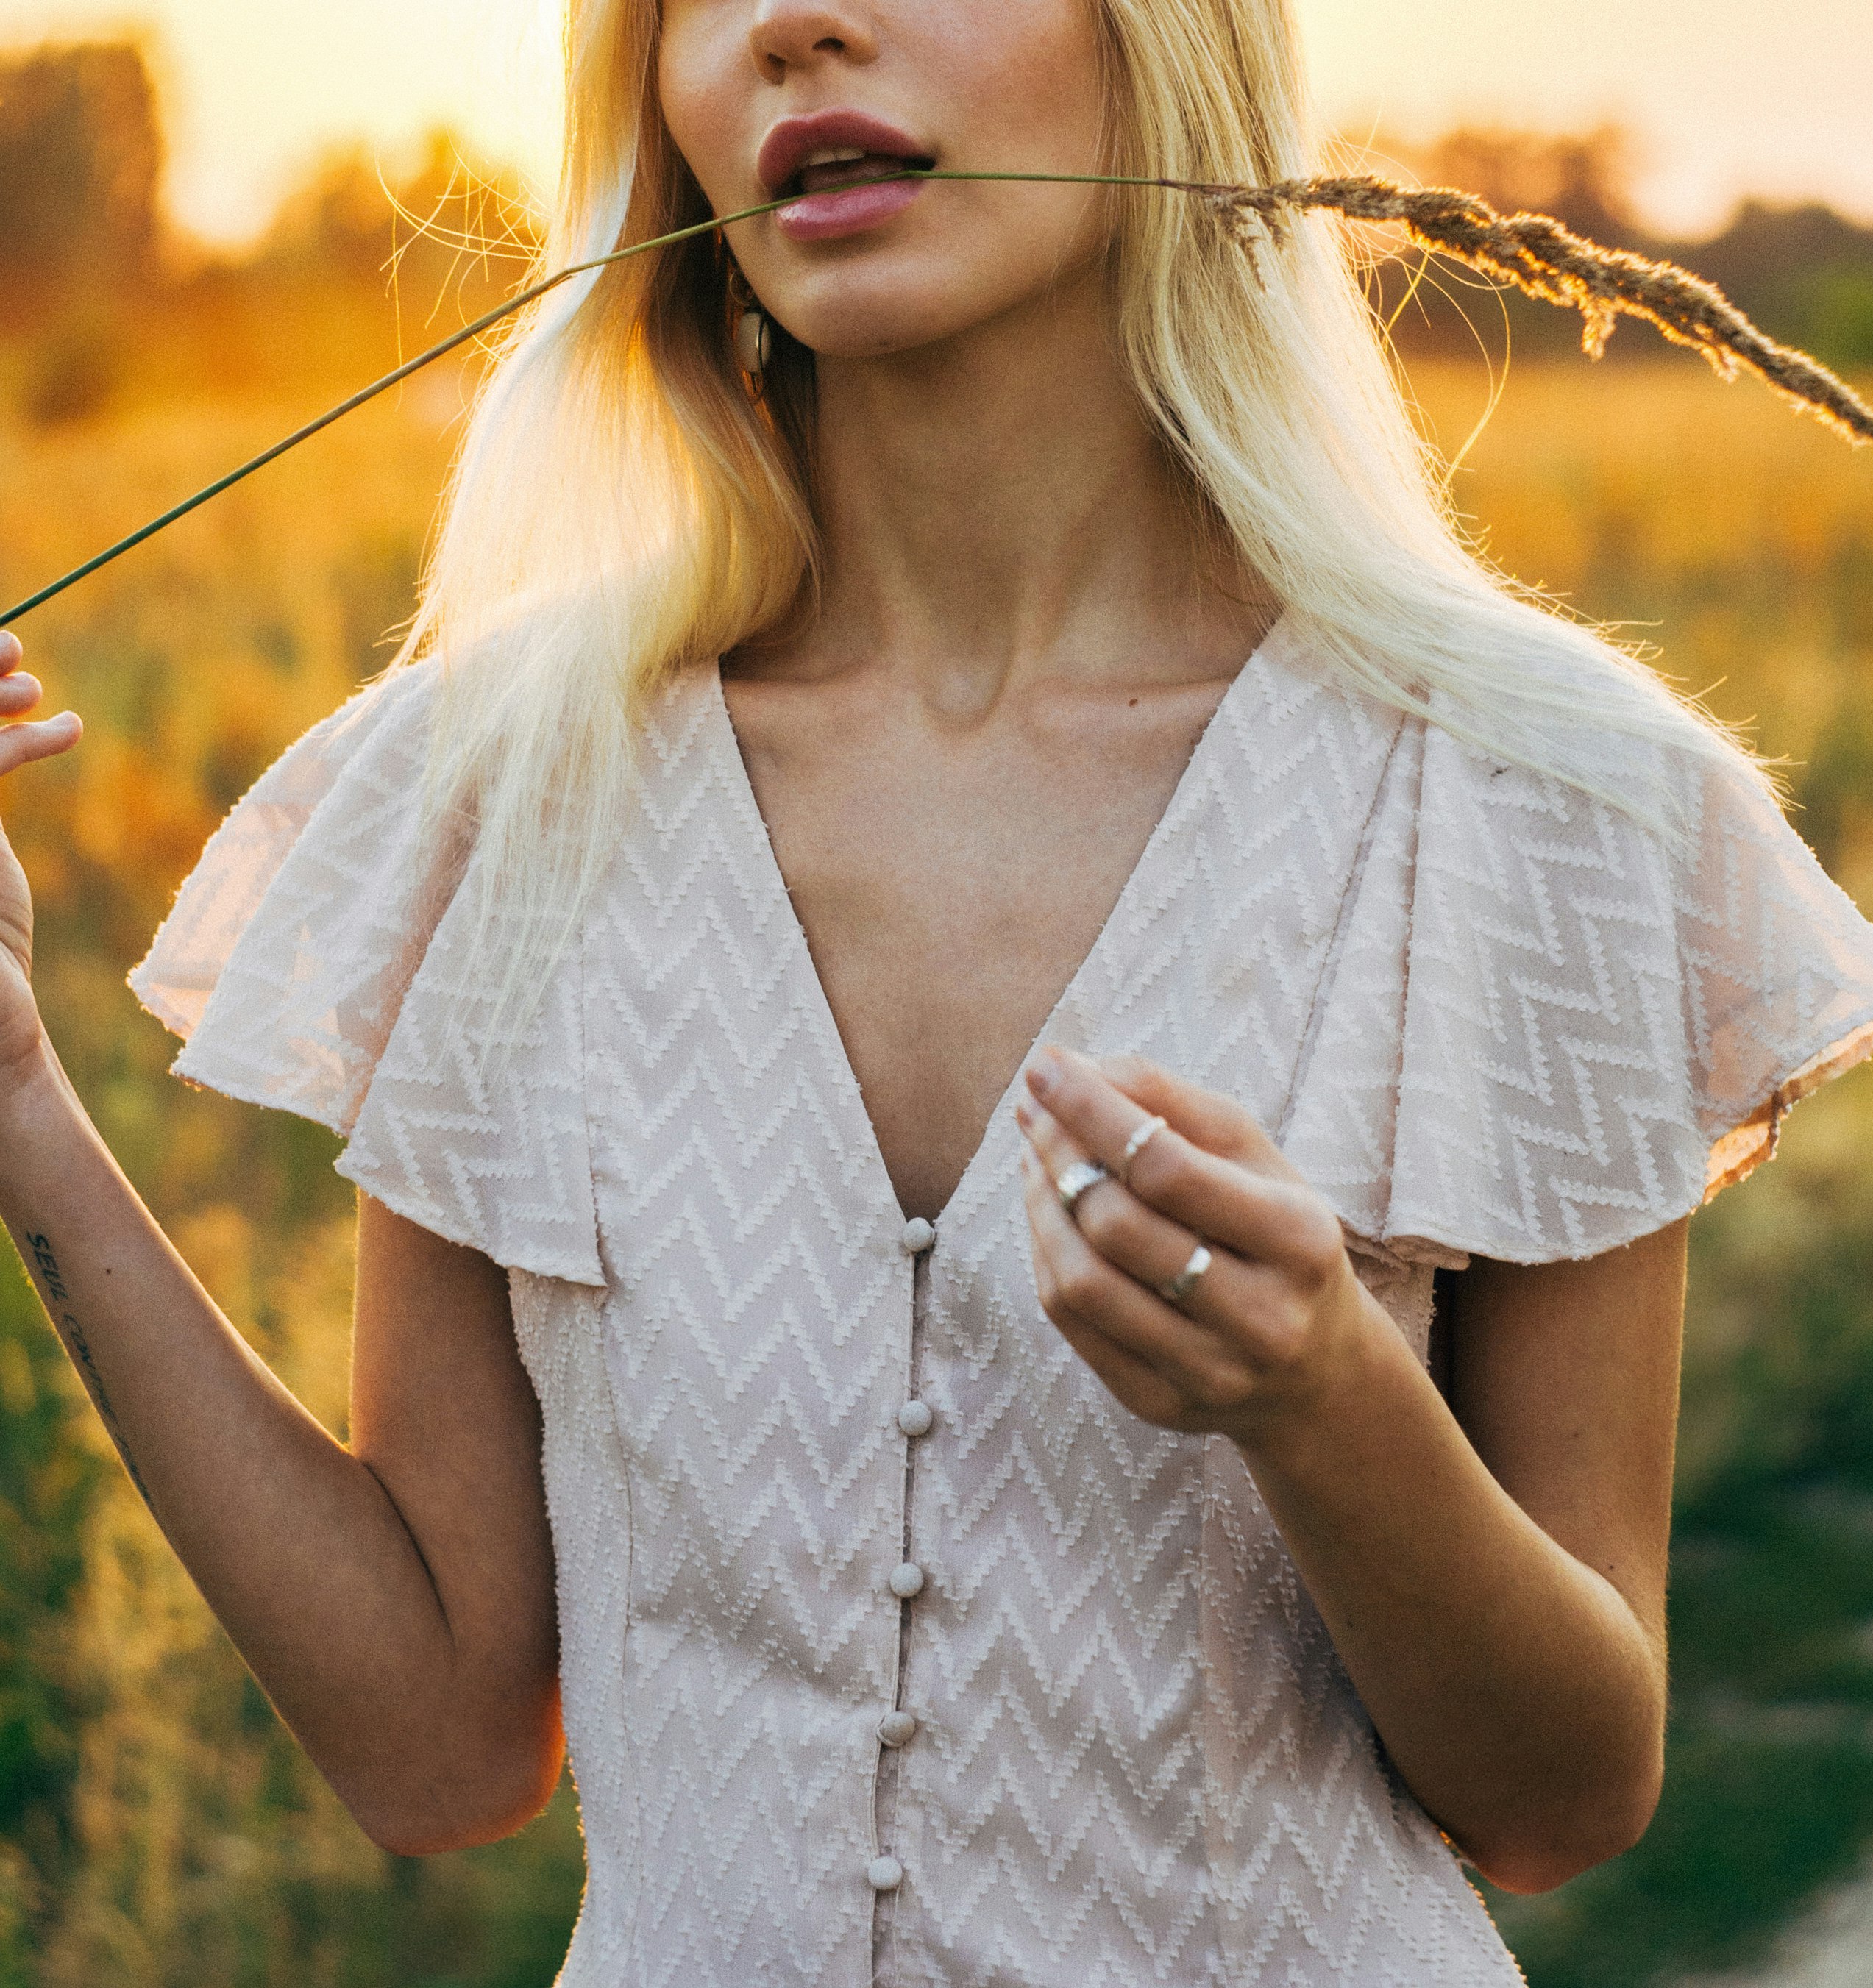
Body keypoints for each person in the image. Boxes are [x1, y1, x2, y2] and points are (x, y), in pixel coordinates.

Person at [4, 1, 1872, 1982]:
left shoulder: (1536, 796)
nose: (798, 24)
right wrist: (25, 1105)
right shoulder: (503, 791)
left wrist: (1326, 1402)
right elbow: (435, 1749)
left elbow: (1565, 1799)